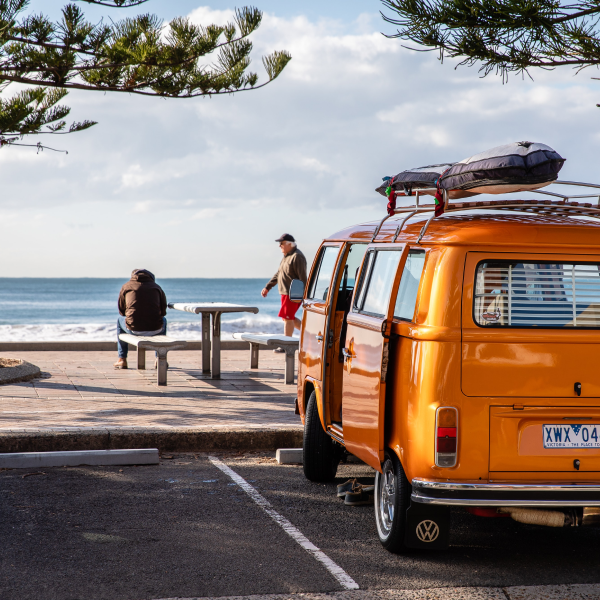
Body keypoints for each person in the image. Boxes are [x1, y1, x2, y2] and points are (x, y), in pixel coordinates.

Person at [114, 269, 167, 369]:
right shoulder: (157, 287)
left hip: (133, 328)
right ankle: (159, 358)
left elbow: (121, 311)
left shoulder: (126, 286)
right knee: (163, 320)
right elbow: (163, 311)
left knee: (119, 320)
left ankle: (122, 359)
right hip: (155, 329)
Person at [261, 234, 307, 349]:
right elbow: (279, 274)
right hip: (285, 293)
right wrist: (268, 287)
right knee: (287, 317)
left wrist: (305, 295)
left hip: (293, 293)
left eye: (281, 243)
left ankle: (286, 346)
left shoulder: (297, 256)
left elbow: (303, 278)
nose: (279, 246)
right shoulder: (286, 256)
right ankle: (309, 334)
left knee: (288, 318)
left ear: (289, 244)